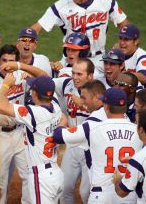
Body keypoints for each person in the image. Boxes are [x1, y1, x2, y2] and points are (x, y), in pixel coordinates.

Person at [0, 44, 47, 203]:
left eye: (11, 62)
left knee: (29, 175)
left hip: (20, 133)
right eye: (3, 60)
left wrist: (22, 68)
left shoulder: (21, 75)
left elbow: (45, 78)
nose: (6, 65)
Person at [53, 87, 143, 204]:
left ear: (106, 106)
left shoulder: (92, 127)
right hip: (128, 193)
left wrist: (62, 122)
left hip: (101, 196)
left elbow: (59, 136)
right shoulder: (139, 130)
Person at [0, 74, 65, 204]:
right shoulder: (56, 107)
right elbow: (64, 118)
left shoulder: (34, 113)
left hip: (42, 178)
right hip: (55, 173)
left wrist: (5, 85)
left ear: (34, 93)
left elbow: (0, 106)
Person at [32, 0, 129, 78]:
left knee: (120, 79)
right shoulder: (60, 6)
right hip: (73, 58)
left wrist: (121, 45)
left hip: (100, 57)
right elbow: (34, 29)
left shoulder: (106, 1)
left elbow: (126, 27)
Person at [53, 58, 94, 204]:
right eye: (73, 73)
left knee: (86, 193)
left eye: (79, 74)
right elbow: (45, 82)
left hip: (91, 149)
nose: (75, 77)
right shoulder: (66, 84)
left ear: (90, 76)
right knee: (63, 189)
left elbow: (105, 115)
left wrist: (83, 103)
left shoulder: (98, 90)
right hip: (72, 146)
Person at [113, 109, 146, 203]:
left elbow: (122, 192)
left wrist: (117, 180)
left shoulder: (138, 160)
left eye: (136, 123)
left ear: (141, 130)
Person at [118, 24, 146, 88]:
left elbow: (143, 78)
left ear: (136, 41)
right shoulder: (116, 54)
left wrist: (122, 75)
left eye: (126, 39)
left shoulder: (143, 57)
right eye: (120, 38)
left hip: (141, 96)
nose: (122, 43)